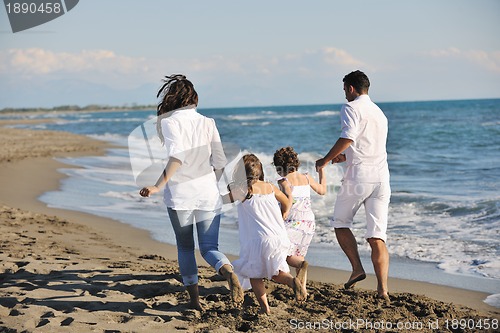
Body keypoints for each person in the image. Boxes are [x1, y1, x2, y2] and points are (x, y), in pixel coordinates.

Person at [139, 74, 243, 310]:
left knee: (185, 247)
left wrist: (157, 186)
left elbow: (178, 156)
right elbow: (220, 160)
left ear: (172, 99)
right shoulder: (208, 122)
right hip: (208, 194)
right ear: (194, 99)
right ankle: (228, 273)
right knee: (210, 248)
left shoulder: (170, 121)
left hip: (181, 196)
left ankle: (195, 302)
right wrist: (211, 183)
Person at [315, 70, 391, 305]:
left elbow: (348, 137)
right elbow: (366, 147)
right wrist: (344, 158)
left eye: (344, 89)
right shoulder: (379, 113)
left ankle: (357, 268)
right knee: (377, 235)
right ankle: (383, 290)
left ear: (350, 88)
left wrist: (326, 160)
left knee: (340, 223)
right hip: (381, 178)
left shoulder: (350, 108)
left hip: (359, 178)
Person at [226, 154, 307, 314]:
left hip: (258, 241)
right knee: (277, 272)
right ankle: (293, 281)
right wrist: (285, 212)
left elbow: (221, 200)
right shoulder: (270, 187)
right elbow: (286, 201)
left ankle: (265, 309)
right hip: (279, 237)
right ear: (260, 171)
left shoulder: (242, 190)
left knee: (255, 275)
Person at [273, 146, 326, 290]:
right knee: (299, 254)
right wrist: (321, 171)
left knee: (283, 252)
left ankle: (300, 267)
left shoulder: (283, 181)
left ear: (279, 167)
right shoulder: (307, 177)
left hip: (292, 220)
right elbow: (323, 190)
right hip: (309, 222)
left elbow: (289, 197)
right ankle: (302, 290)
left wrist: (284, 212)